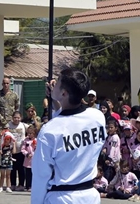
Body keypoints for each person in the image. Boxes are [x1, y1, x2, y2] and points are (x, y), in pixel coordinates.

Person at [31, 68, 106, 204]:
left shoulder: (49, 131)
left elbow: (41, 175)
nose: (54, 83)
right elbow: (71, 120)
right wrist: (56, 97)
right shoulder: (98, 117)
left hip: (61, 197)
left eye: (58, 82)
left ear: (64, 93)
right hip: (90, 195)